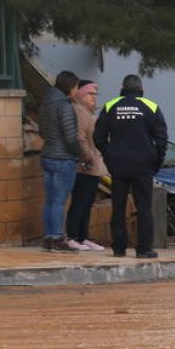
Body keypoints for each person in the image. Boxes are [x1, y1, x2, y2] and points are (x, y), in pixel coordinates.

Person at [94, 75, 168, 259]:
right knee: (144, 207)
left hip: (118, 165)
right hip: (144, 165)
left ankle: (119, 248)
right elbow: (162, 139)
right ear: (141, 89)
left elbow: (98, 137)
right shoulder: (151, 107)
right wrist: (156, 161)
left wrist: (109, 155)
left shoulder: (111, 106)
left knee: (118, 207)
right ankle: (144, 248)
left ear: (122, 88)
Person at [38, 70, 82, 252]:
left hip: (47, 155)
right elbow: (71, 136)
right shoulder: (64, 106)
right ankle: (57, 237)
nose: (77, 91)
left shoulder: (46, 103)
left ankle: (48, 237)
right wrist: (78, 154)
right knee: (59, 201)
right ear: (70, 87)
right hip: (62, 158)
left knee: (50, 200)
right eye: (76, 87)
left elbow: (41, 132)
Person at [64, 79, 107, 251]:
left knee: (88, 202)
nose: (94, 98)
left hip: (93, 165)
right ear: (81, 94)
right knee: (79, 202)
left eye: (95, 94)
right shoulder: (80, 112)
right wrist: (87, 157)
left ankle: (83, 236)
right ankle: (73, 236)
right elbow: (79, 137)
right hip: (84, 166)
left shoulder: (89, 113)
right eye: (90, 94)